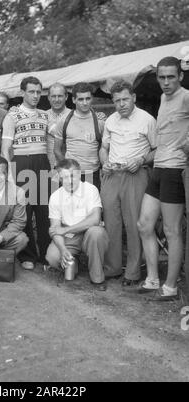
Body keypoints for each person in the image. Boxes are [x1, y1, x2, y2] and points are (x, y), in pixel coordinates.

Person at [137, 57, 189, 301]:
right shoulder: (162, 98)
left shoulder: (186, 96)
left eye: (171, 76)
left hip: (174, 170)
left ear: (180, 76)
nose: (166, 82)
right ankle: (152, 279)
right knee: (145, 225)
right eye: (162, 77)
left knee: (172, 230)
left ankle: (170, 287)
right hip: (158, 167)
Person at [99, 80, 156, 288]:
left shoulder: (147, 120)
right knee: (111, 222)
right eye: (117, 101)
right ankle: (112, 268)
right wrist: (104, 162)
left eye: (124, 99)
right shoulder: (110, 121)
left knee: (133, 224)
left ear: (133, 97)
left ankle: (133, 271)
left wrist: (141, 160)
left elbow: (157, 150)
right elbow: (103, 148)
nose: (121, 104)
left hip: (135, 175)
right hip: (112, 174)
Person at [1, 76, 50, 270]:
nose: (36, 95)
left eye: (39, 92)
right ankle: (28, 255)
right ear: (23, 93)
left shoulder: (45, 115)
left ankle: (46, 255)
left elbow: (55, 138)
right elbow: (5, 149)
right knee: (24, 210)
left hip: (42, 161)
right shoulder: (12, 116)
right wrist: (10, 175)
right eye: (31, 91)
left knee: (44, 210)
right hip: (21, 162)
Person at [46, 159, 109, 291]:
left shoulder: (91, 189)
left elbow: (95, 219)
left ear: (79, 174)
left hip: (88, 233)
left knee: (96, 232)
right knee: (52, 257)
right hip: (69, 237)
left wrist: (66, 229)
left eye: (72, 175)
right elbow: (55, 229)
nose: (69, 181)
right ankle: (72, 261)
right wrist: (63, 249)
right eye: (64, 177)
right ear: (59, 178)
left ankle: (97, 278)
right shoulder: (55, 197)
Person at [54, 82, 106, 189]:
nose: (85, 103)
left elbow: (105, 148)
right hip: (70, 174)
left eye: (88, 98)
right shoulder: (63, 121)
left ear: (92, 99)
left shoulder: (100, 121)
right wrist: (67, 168)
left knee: (91, 205)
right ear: (73, 100)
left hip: (93, 173)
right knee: (68, 204)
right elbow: (57, 150)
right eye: (81, 99)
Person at [46, 83, 71, 169]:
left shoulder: (74, 115)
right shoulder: (42, 116)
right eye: (53, 96)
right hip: (48, 166)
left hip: (70, 166)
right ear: (48, 97)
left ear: (66, 97)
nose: (56, 100)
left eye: (60, 96)